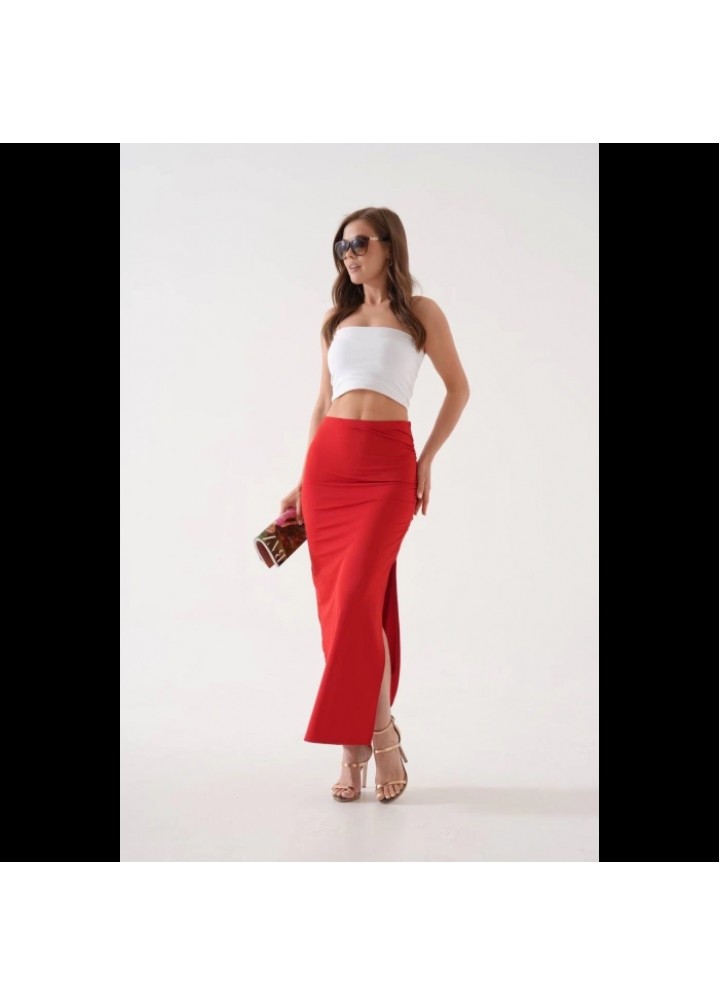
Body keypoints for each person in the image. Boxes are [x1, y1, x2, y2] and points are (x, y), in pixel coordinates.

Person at [280, 206, 470, 803]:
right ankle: (360, 743)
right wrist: (302, 479)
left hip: (388, 469)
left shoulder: (421, 313)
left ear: (389, 245)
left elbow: (459, 389)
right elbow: (321, 404)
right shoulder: (335, 319)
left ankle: (374, 738)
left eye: (360, 243)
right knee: (343, 613)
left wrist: (426, 460)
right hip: (330, 469)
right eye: (342, 246)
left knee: (360, 600)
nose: (350, 255)